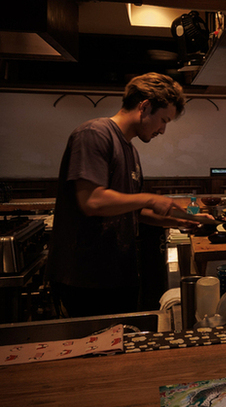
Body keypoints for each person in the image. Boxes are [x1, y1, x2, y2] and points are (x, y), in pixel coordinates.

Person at [47, 72, 189, 318]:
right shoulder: (94, 134)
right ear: (144, 107)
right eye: (163, 120)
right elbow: (92, 201)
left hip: (117, 275)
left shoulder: (130, 151)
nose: (163, 130)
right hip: (85, 279)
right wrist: (150, 198)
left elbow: (131, 211)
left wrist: (179, 221)